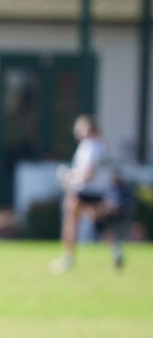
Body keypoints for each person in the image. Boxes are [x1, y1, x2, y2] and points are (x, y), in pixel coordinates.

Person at [49, 115, 115, 273]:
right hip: (95, 191)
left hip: (86, 190)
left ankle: (68, 257)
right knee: (99, 223)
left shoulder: (92, 146)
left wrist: (72, 179)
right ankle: (116, 251)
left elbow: (90, 172)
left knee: (70, 217)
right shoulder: (94, 145)